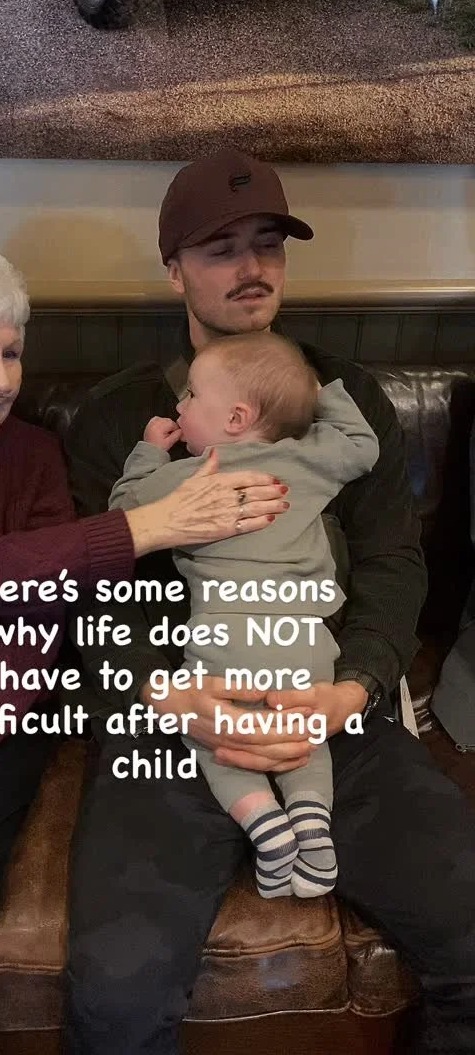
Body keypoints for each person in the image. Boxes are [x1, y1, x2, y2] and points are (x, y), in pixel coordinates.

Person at [64, 148, 475, 1054]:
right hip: (171, 725)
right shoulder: (123, 420)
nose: (252, 267)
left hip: (327, 705)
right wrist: (173, 697)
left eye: (268, 244)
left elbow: (393, 564)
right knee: (116, 1000)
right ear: (174, 270)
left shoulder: (341, 401)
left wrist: (351, 691)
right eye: (221, 249)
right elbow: (94, 594)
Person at [0, 239, 283, 1055]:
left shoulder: (36, 457)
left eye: (11, 352)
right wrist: (145, 526)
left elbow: (25, 645)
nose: (2, 379)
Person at [108, 331, 379, 900]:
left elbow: (123, 510)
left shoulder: (191, 476)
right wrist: (314, 390)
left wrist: (150, 452)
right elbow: (361, 444)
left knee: (213, 737)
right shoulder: (309, 458)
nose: (179, 406)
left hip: (227, 641)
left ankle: (264, 824)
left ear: (235, 418)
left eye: (189, 395)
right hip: (306, 641)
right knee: (304, 734)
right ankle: (312, 823)